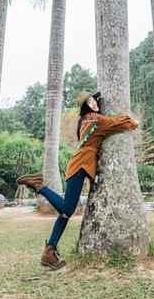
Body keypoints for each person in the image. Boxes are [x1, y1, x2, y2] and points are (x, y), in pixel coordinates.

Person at [16, 90, 139, 269]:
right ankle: (39, 185)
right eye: (90, 102)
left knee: (65, 214)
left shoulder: (85, 121)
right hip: (80, 165)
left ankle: (49, 252)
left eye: (95, 101)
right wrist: (134, 122)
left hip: (76, 165)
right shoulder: (95, 119)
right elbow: (118, 122)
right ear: (86, 107)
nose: (94, 104)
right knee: (67, 208)